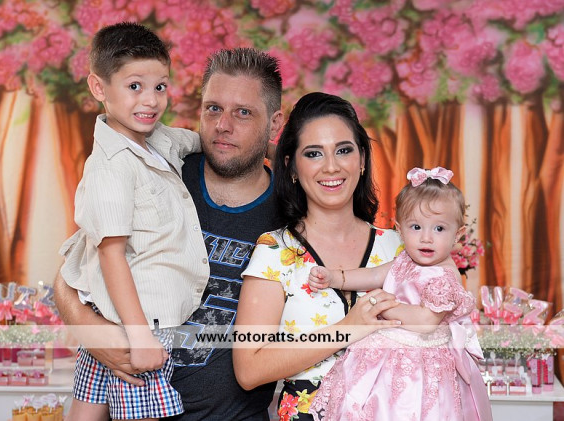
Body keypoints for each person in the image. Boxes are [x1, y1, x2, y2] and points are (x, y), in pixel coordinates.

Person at [54, 47, 285, 420]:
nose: (223, 125)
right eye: (213, 109)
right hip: (129, 400)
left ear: (274, 125)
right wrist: (97, 335)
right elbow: (71, 274)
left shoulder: (293, 209)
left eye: (243, 113)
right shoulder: (160, 172)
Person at [58, 22, 210, 421]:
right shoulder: (111, 167)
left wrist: (263, 146)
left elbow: (198, 141)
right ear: (99, 87)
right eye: (134, 86)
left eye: (160, 86)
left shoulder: (159, 139)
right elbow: (111, 255)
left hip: (123, 317)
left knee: (86, 409)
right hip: (140, 321)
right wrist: (140, 335)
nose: (151, 100)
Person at [233, 92, 403, 421]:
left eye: (344, 150)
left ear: (362, 159)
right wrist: (346, 329)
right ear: (292, 168)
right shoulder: (275, 250)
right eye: (313, 153)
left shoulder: (399, 248)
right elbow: (248, 369)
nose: (331, 166)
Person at [307, 167, 493, 420]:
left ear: (457, 235)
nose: (426, 238)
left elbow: (426, 322)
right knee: (374, 405)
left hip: (421, 364)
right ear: (400, 230)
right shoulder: (405, 260)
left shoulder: (444, 275)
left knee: (412, 408)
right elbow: (373, 275)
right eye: (416, 227)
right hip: (387, 354)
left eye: (439, 229)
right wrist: (335, 277)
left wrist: (383, 306)